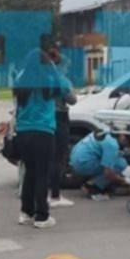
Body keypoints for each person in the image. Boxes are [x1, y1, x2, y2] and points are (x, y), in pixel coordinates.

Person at [15, 43, 68, 229]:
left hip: (23, 131)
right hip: (44, 131)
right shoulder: (50, 77)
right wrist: (53, 65)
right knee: (42, 174)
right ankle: (42, 215)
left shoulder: (21, 77)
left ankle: (26, 212)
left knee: (29, 172)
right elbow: (64, 90)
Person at [48, 43, 78, 208]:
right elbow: (72, 100)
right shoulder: (61, 79)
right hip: (59, 117)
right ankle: (55, 193)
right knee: (58, 157)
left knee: (46, 157)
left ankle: (42, 192)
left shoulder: (38, 78)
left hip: (43, 120)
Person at [69, 130, 130, 201]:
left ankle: (94, 181)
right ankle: (92, 186)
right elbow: (108, 172)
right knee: (121, 164)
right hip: (83, 163)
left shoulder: (106, 131)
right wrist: (123, 181)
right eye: (127, 144)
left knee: (117, 160)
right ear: (123, 137)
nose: (126, 148)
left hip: (75, 158)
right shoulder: (112, 144)